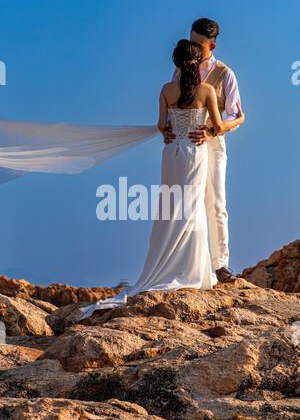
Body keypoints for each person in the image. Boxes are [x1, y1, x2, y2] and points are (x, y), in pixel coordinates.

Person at [78, 39, 244, 321]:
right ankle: (192, 269)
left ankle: (164, 266)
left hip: (171, 153)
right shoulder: (206, 91)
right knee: (193, 209)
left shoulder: (166, 90)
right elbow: (217, 126)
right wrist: (228, 123)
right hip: (195, 152)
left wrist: (171, 132)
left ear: (176, 64)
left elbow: (161, 126)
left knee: (170, 207)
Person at [163, 18, 242, 283]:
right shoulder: (180, 69)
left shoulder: (225, 73)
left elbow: (238, 116)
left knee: (216, 201)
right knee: (183, 203)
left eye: (198, 44)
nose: (192, 47)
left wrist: (212, 130)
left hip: (212, 145)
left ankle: (221, 265)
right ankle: (187, 264)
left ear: (212, 45)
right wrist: (170, 129)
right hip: (185, 148)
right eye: (190, 41)